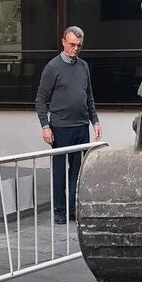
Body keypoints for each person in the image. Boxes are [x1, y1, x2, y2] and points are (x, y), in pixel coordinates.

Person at [35, 26, 103, 224]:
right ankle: (59, 211)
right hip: (60, 127)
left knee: (78, 171)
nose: (75, 49)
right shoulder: (52, 68)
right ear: (64, 42)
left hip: (81, 126)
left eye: (79, 46)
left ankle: (73, 209)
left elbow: (88, 96)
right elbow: (40, 99)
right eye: (72, 44)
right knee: (59, 172)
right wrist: (45, 126)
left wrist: (95, 121)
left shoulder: (83, 67)